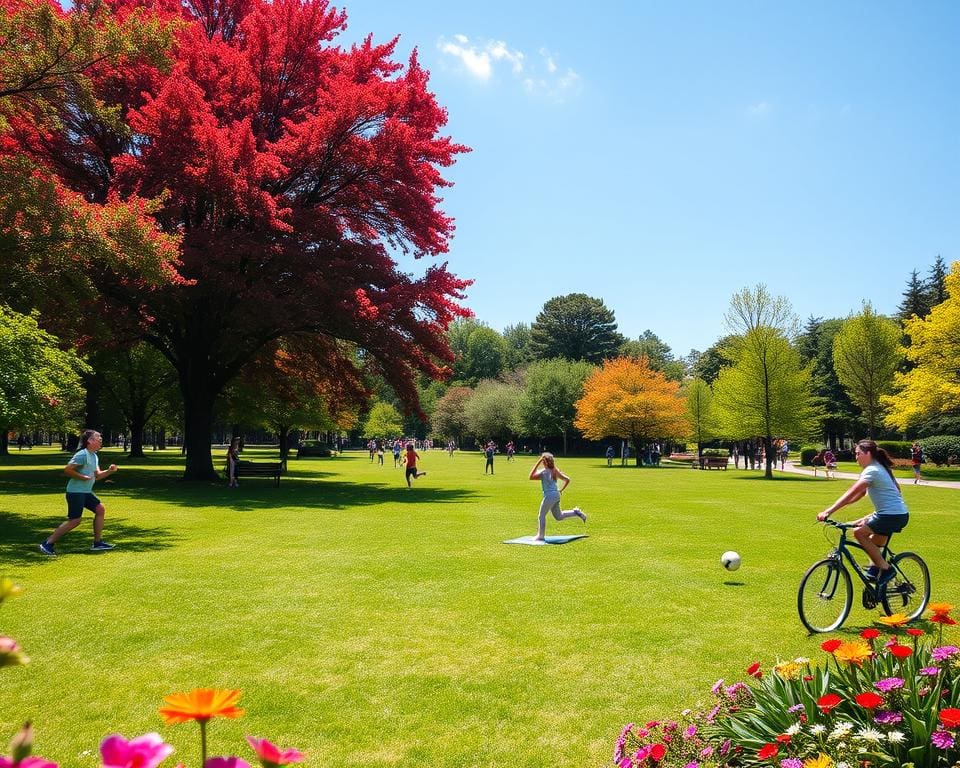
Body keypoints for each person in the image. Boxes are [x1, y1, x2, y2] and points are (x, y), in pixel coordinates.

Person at [817, 439, 909, 586]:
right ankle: (876, 572)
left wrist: (828, 511)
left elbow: (853, 491)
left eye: (858, 453)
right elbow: (860, 494)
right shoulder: (880, 468)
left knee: (859, 533)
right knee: (873, 543)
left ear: (868, 453)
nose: (856, 457)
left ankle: (886, 570)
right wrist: (869, 516)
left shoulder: (872, 470)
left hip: (891, 515)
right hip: (895, 514)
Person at [40, 429, 118, 555]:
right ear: (90, 441)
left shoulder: (94, 455)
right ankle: (47, 543)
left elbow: (97, 475)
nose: (100, 440)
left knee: (100, 509)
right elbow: (67, 470)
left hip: (86, 492)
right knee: (75, 520)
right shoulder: (82, 454)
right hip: (75, 492)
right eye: (98, 438)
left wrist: (109, 471)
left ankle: (97, 543)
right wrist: (82, 477)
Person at [529, 453, 586, 541]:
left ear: (544, 462)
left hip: (549, 496)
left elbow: (531, 476)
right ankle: (576, 512)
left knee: (541, 515)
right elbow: (567, 479)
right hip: (556, 495)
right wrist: (561, 490)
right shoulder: (555, 471)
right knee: (559, 516)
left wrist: (538, 462)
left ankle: (540, 536)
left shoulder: (543, 472)